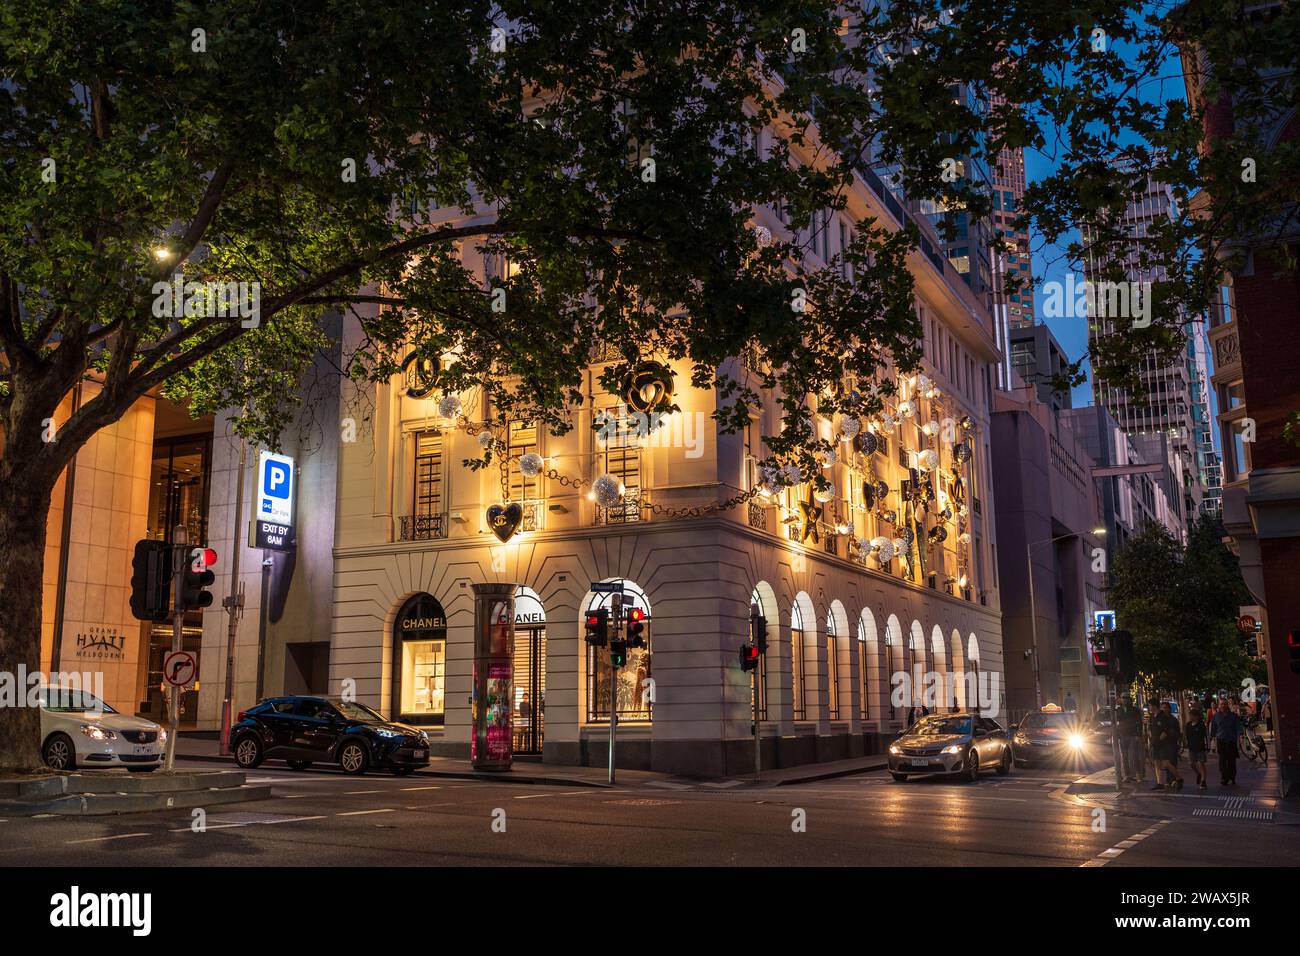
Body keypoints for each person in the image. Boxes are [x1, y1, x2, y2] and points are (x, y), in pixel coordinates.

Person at [1151, 700, 1183, 790]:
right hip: (1157, 743)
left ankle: (1178, 778)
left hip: (1166, 744)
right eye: (1162, 707)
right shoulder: (1153, 717)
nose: (1164, 709)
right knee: (1157, 762)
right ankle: (1160, 782)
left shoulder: (1166, 718)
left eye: (1165, 707)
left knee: (1166, 763)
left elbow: (1166, 731)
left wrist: (1159, 740)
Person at [1210, 698, 1242, 786]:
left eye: (1225, 704)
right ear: (1219, 705)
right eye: (1222, 704)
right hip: (1221, 741)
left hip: (1231, 740)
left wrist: (1240, 735)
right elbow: (1213, 728)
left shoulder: (1233, 716)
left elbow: (1238, 726)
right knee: (1222, 761)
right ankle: (1224, 777)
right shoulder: (1216, 716)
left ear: (1227, 705)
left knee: (1232, 760)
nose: (1223, 705)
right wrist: (1212, 737)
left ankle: (1232, 776)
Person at [1115, 695, 1144, 783]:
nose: (1124, 700)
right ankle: (1127, 775)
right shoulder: (1118, 710)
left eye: (1126, 699)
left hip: (1132, 735)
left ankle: (1138, 775)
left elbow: (1139, 722)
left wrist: (1138, 734)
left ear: (1130, 700)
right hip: (1122, 735)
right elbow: (1115, 722)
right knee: (1124, 756)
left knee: (1134, 755)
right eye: (1123, 698)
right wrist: (1117, 734)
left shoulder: (1135, 710)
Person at [1184, 706, 1209, 790]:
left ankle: (1203, 780)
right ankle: (1198, 773)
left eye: (1192, 715)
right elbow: (1187, 735)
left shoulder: (1201, 725)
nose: (1190, 717)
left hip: (1200, 747)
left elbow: (1204, 735)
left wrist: (1206, 745)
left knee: (1201, 763)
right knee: (1191, 763)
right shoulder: (1188, 725)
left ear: (1196, 716)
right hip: (1192, 747)